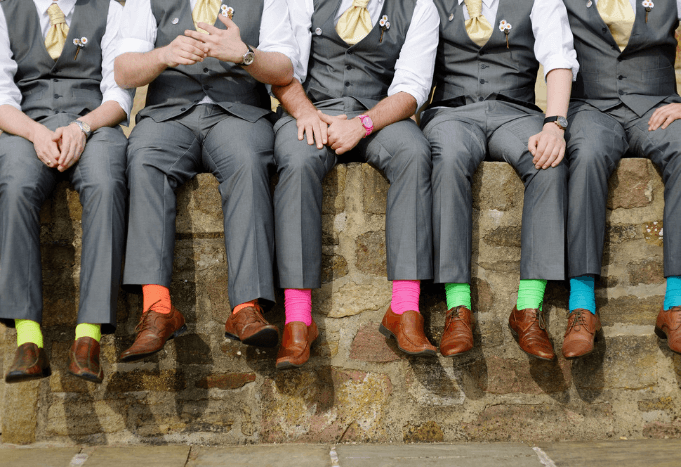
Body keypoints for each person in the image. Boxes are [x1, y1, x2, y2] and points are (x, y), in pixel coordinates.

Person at [114, 0, 296, 362]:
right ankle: (158, 308)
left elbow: (285, 69)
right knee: (144, 156)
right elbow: (123, 71)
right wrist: (164, 55)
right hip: (168, 116)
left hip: (240, 115)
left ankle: (246, 308)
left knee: (248, 160)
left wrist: (245, 54)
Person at [271, 0, 440, 368]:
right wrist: (306, 113)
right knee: (297, 162)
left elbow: (412, 90)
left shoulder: (418, 6)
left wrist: (362, 124)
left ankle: (405, 310)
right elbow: (285, 71)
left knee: (414, 152)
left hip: (377, 115)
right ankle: (297, 319)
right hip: (313, 109)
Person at [423, 0, 578, 359]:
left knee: (549, 161)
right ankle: (457, 307)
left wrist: (554, 124)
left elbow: (558, 58)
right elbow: (414, 65)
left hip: (516, 111)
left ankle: (527, 308)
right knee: (445, 159)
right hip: (451, 112)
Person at [0, 0, 132, 383]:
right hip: (26, 124)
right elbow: (2, 94)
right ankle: (28, 340)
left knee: (107, 183)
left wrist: (82, 128)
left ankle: (87, 338)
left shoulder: (110, 9)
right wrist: (34, 132)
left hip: (94, 125)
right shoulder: (6, 9)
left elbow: (119, 96)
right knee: (15, 184)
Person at [563, 0, 681, 358]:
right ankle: (582, 307)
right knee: (586, 154)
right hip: (591, 107)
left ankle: (676, 306)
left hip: (658, 107)